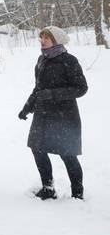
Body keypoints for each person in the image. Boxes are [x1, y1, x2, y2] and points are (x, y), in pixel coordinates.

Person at [18, 26, 88, 200]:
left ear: (55, 40)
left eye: (45, 38)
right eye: (40, 38)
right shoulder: (41, 60)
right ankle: (48, 188)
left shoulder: (69, 60)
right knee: (37, 149)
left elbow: (81, 88)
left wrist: (53, 94)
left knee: (68, 154)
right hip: (42, 115)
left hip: (64, 117)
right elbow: (38, 88)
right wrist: (27, 107)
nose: (41, 41)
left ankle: (77, 194)